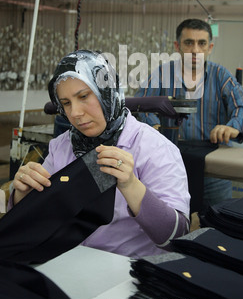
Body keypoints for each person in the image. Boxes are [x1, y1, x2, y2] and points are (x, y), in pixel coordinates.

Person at [10, 50, 190, 258]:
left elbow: (176, 237)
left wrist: (131, 186)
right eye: (66, 103)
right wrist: (21, 195)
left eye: (84, 96)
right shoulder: (62, 146)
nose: (75, 113)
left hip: (127, 274)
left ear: (107, 91)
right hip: (65, 264)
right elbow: (36, 221)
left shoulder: (155, 149)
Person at [135, 18, 243, 207]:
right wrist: (154, 126)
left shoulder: (221, 76)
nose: (195, 50)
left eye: (202, 43)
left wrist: (233, 127)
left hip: (212, 169)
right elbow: (140, 104)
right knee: (170, 222)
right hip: (168, 164)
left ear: (210, 47)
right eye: (189, 43)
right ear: (178, 45)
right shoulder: (161, 74)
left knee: (217, 223)